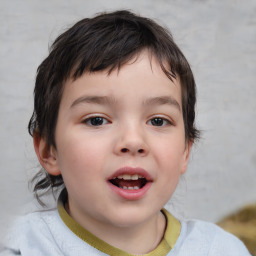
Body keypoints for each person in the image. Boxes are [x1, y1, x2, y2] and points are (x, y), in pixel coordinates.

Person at [1, 10, 250, 256]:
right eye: (97, 120)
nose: (133, 141)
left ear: (185, 150)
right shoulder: (19, 247)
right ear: (49, 151)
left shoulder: (221, 249)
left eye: (158, 121)